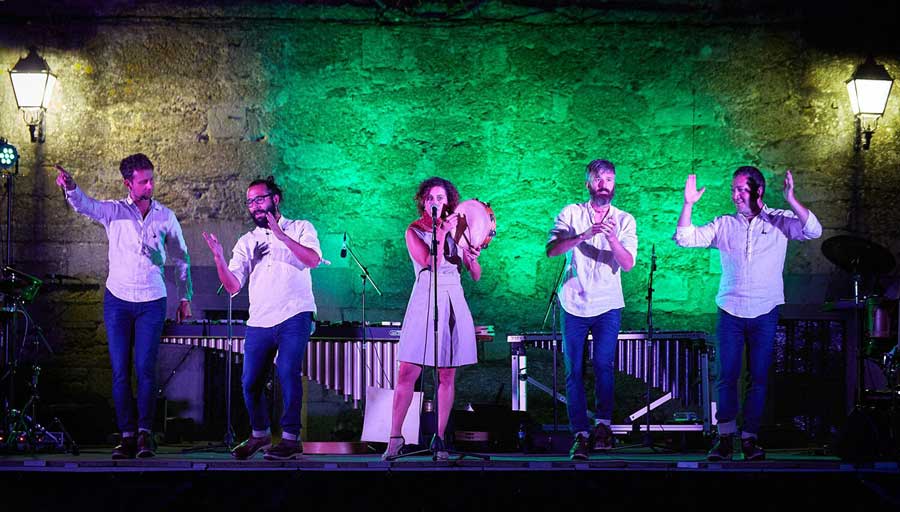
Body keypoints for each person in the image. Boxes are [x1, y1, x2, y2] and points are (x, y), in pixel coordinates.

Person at [674, 167, 822, 461]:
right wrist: (688, 204)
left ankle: (750, 438)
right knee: (726, 376)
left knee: (759, 378)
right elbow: (684, 238)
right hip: (730, 311)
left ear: (758, 191)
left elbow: (813, 230)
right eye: (733, 189)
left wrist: (791, 199)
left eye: (741, 189)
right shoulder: (724, 224)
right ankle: (725, 438)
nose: (735, 195)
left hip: (765, 311)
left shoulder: (779, 219)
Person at [56, 154, 193, 459]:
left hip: (151, 300)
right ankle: (127, 435)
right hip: (118, 300)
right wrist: (72, 188)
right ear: (128, 183)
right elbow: (86, 206)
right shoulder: (114, 211)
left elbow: (181, 258)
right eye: (143, 181)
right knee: (120, 371)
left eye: (151, 180)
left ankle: (145, 435)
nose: (150, 186)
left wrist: (185, 297)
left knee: (145, 369)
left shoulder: (165, 216)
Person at [203, 177, 323, 461]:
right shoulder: (247, 241)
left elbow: (313, 260)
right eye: (250, 202)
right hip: (259, 319)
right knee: (250, 382)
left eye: (259, 199)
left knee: (287, 370)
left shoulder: (301, 227)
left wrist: (281, 236)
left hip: (295, 313)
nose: (254, 206)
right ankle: (259, 434)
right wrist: (219, 258)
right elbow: (233, 286)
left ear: (275, 199)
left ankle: (291, 438)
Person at [382, 176, 483, 461]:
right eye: (430, 199)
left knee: (446, 374)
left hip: (452, 298)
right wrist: (441, 234)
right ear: (423, 203)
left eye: (440, 198)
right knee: (407, 372)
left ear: (448, 202)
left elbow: (476, 275)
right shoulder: (414, 230)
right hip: (425, 297)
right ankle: (395, 437)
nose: (435, 203)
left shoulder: (460, 228)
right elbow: (432, 263)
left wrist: (471, 257)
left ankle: (439, 439)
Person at [546, 159, 637, 460]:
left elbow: (627, 263)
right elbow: (552, 250)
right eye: (598, 179)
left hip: (607, 304)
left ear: (614, 184)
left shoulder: (625, 220)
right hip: (574, 303)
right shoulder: (571, 213)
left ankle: (603, 427)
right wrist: (583, 235)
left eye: (608, 179)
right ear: (588, 184)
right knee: (573, 370)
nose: (603, 184)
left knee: (603, 365)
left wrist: (610, 237)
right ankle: (580, 434)